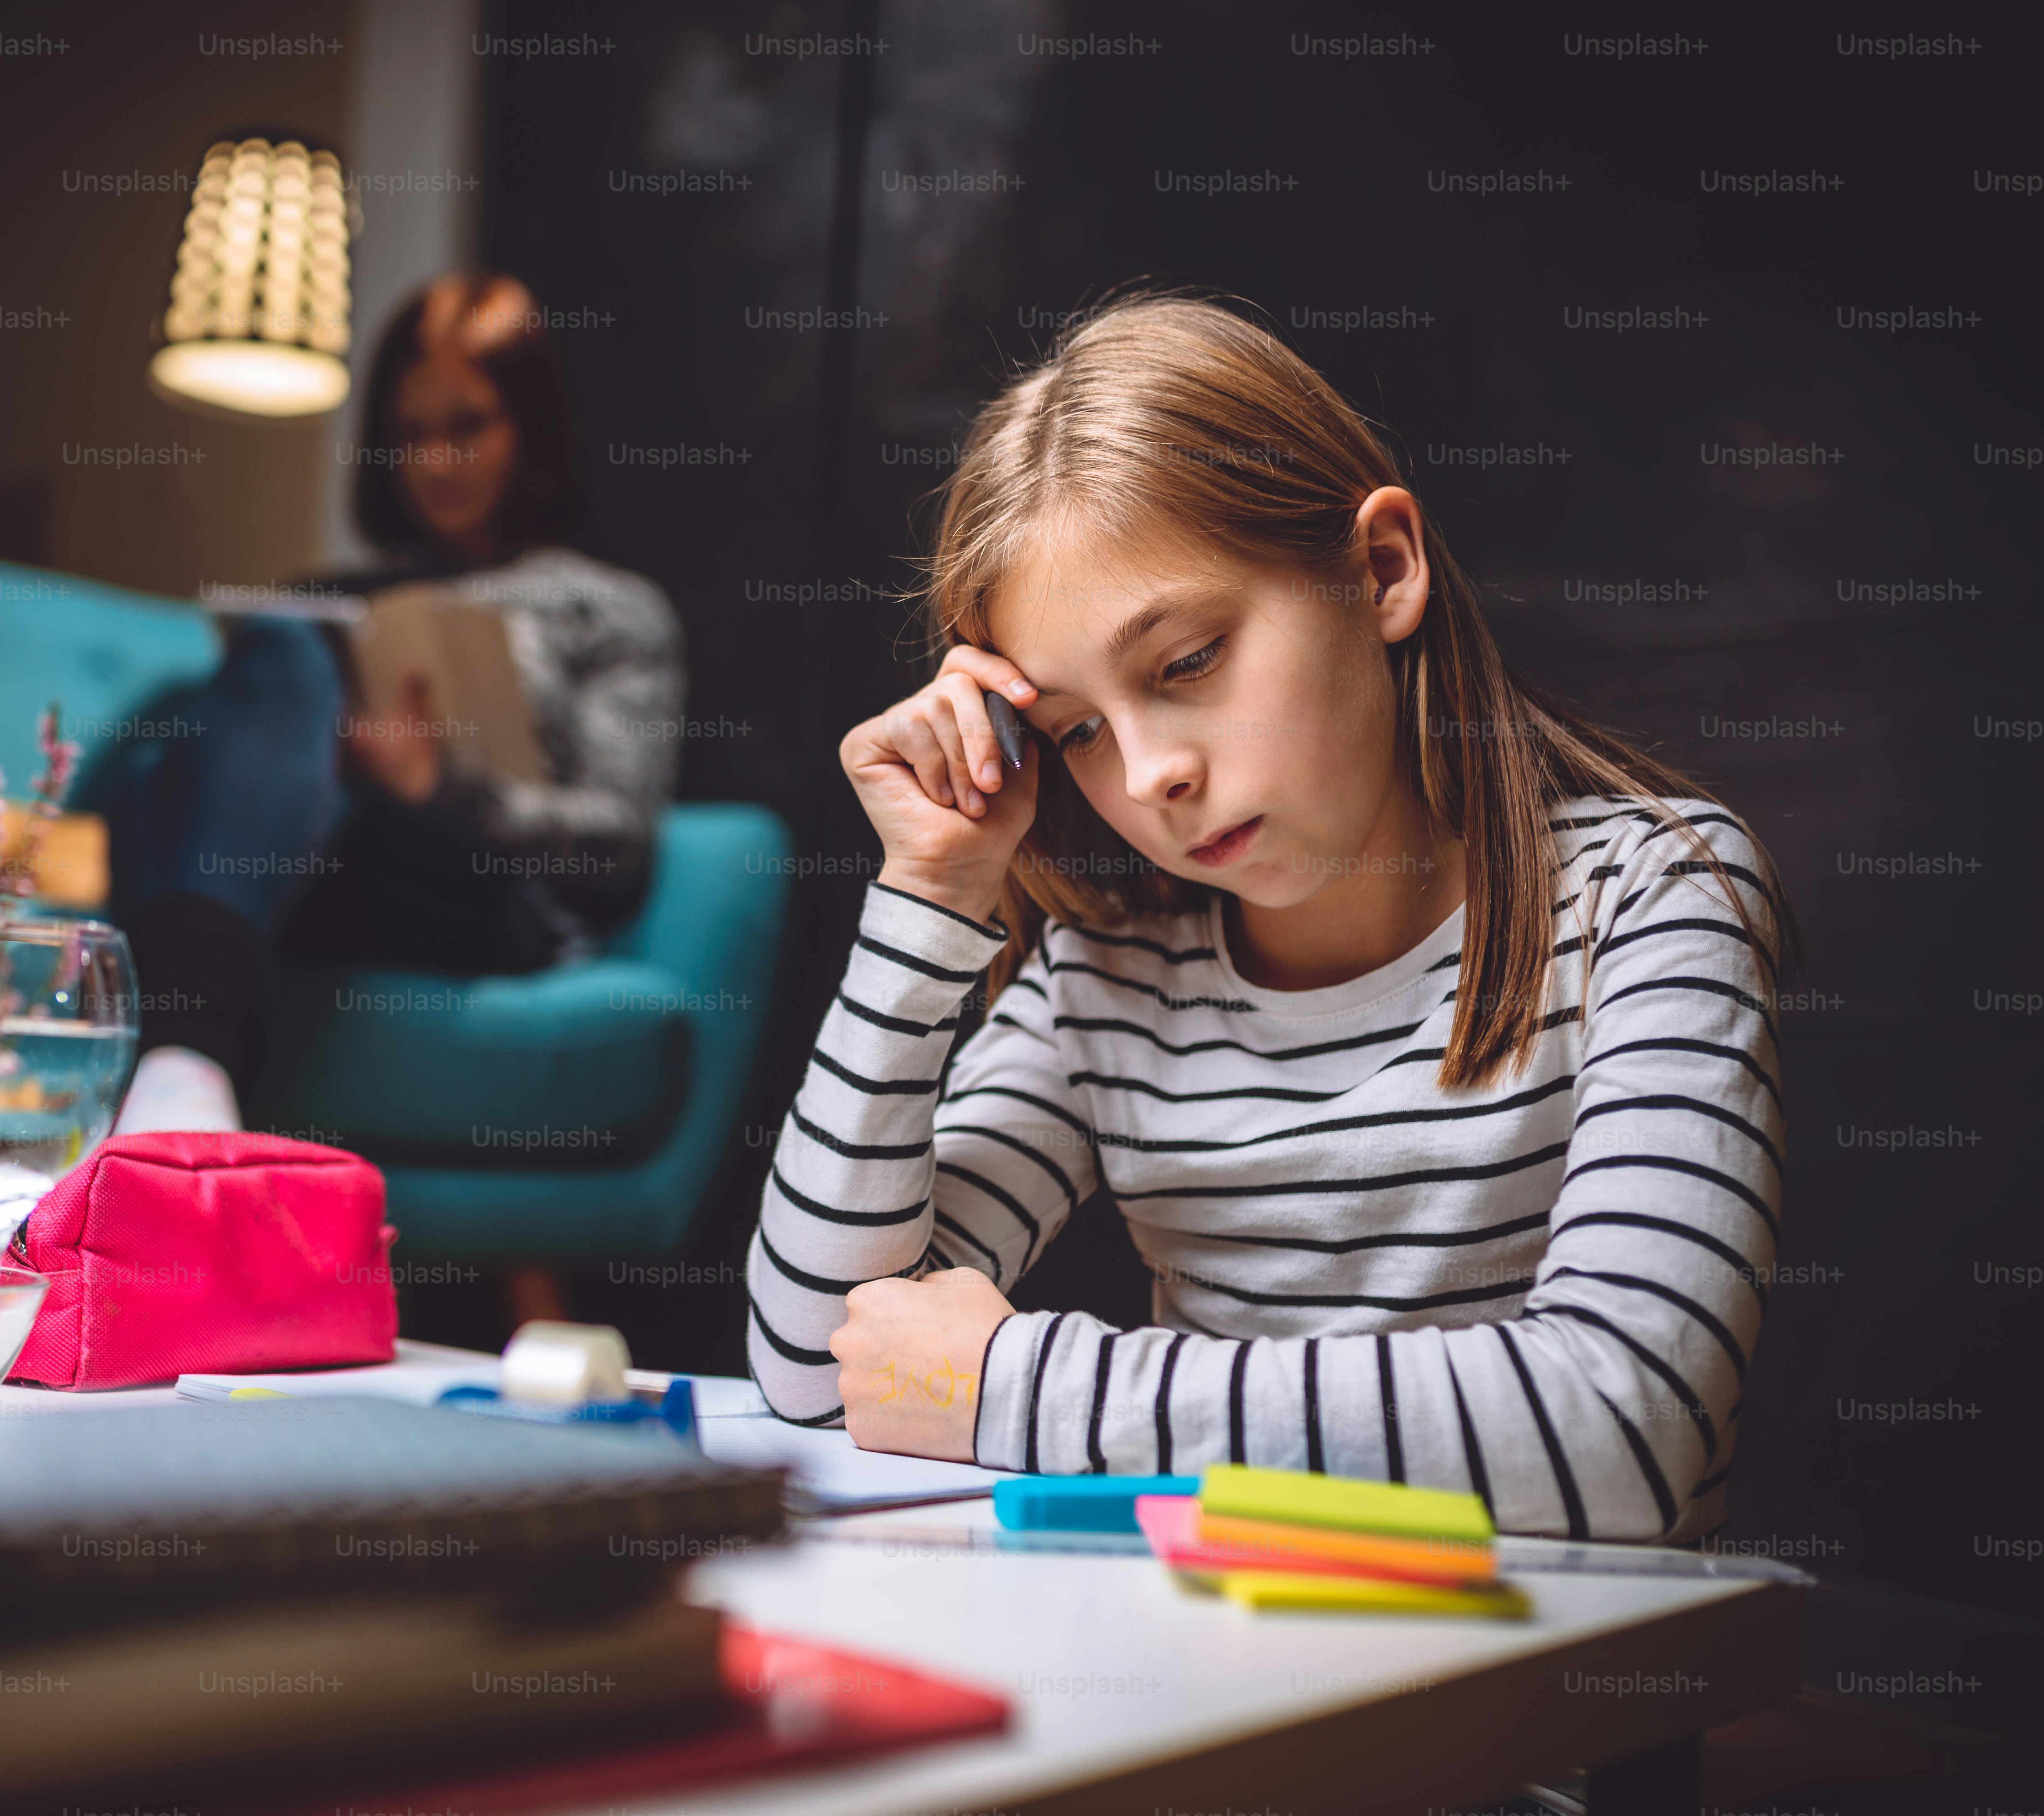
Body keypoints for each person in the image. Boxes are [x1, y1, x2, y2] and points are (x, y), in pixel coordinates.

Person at [746, 294, 1792, 1543]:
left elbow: (1623, 1430)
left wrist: (1015, 1386)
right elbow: (825, 1370)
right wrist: (933, 894)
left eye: (1187, 661)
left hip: (1529, 1704)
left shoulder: (1655, 894)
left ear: (1382, 570)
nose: (1146, 777)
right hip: (1204, 1678)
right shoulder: (1107, 981)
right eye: (1076, 729)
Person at [106, 273, 684, 1134]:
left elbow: (618, 839)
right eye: (410, 435)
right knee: (271, 649)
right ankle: (185, 1082)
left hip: (485, 888)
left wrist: (438, 789)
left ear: (530, 425)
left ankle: (176, 1078)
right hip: (320, 858)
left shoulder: (605, 607)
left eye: (467, 428)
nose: (434, 464)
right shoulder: (337, 597)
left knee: (200, 799)